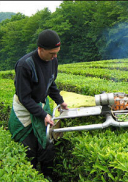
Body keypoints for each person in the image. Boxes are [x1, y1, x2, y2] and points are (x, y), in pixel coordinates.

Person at [8, 29, 68, 179]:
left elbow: (51, 83)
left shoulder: (53, 60)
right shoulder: (25, 65)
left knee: (47, 145)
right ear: (40, 49)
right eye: (52, 53)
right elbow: (25, 98)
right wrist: (43, 115)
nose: (55, 57)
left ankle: (47, 176)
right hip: (25, 110)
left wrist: (60, 101)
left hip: (41, 105)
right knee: (29, 149)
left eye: (57, 53)